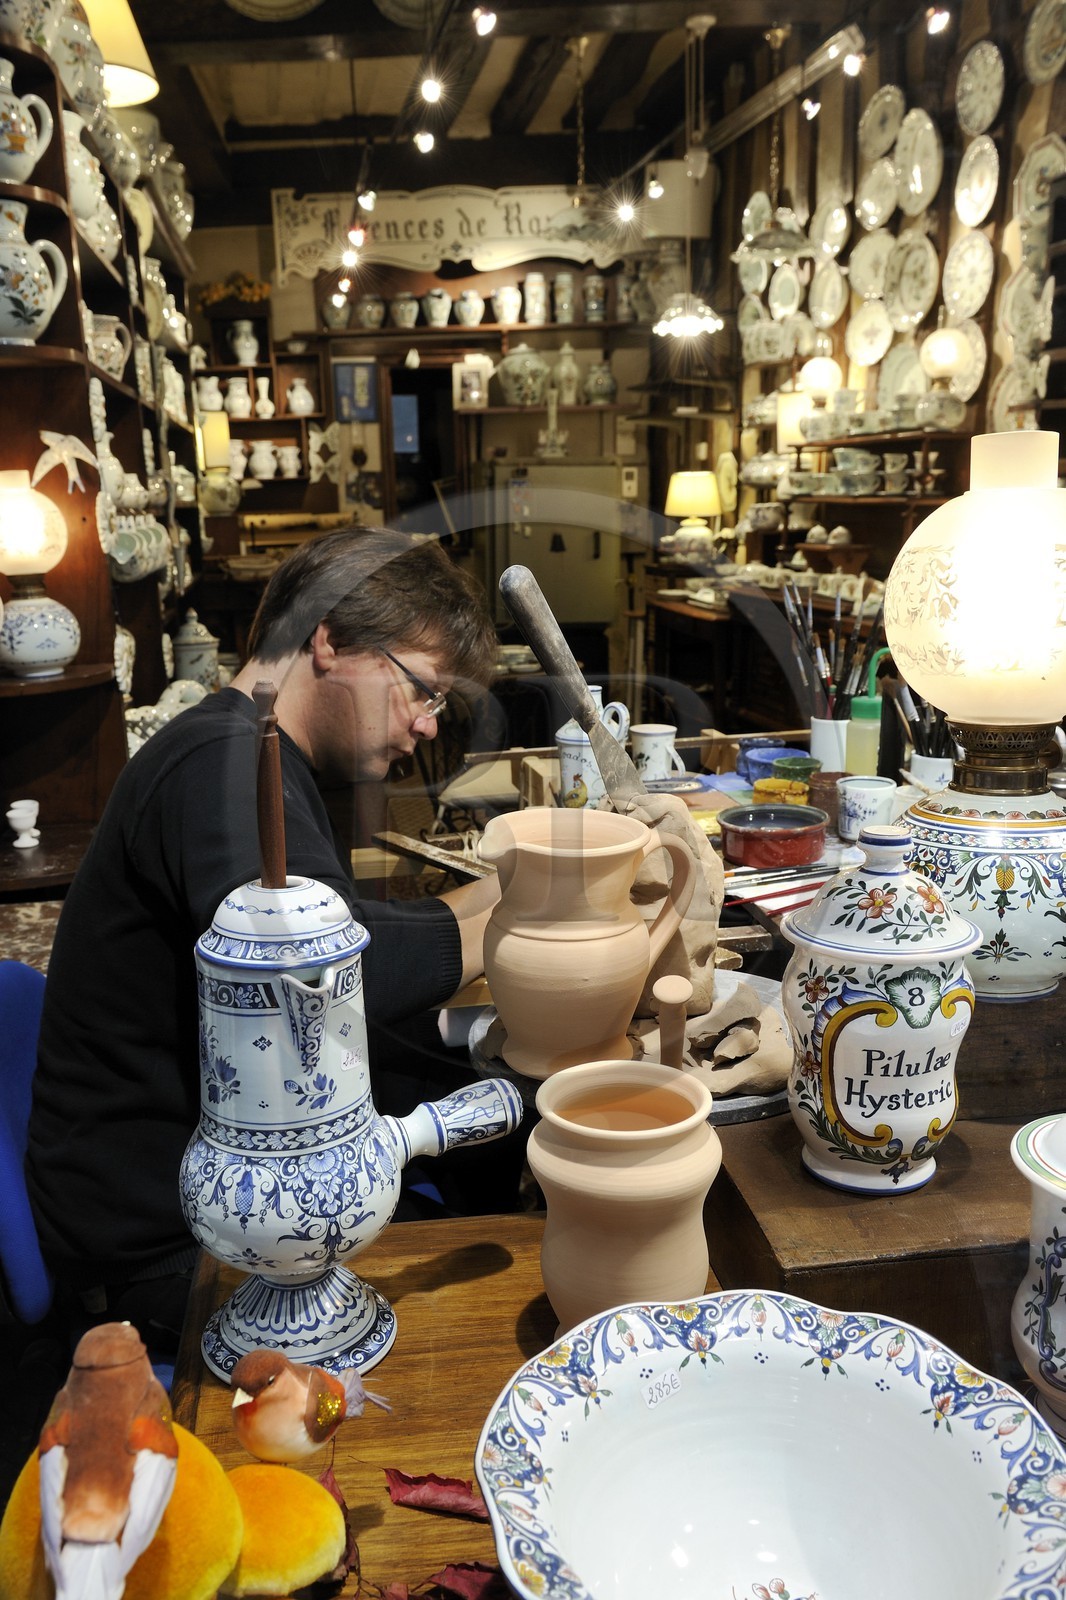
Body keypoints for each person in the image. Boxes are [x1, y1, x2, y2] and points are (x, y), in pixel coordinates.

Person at [26, 528, 503, 1354]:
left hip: (219, 1195)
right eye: (422, 691)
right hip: (168, 1241)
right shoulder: (221, 765)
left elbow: (337, 943)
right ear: (332, 640)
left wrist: (510, 902)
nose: (428, 726)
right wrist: (524, 923)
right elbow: (316, 982)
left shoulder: (250, 751)